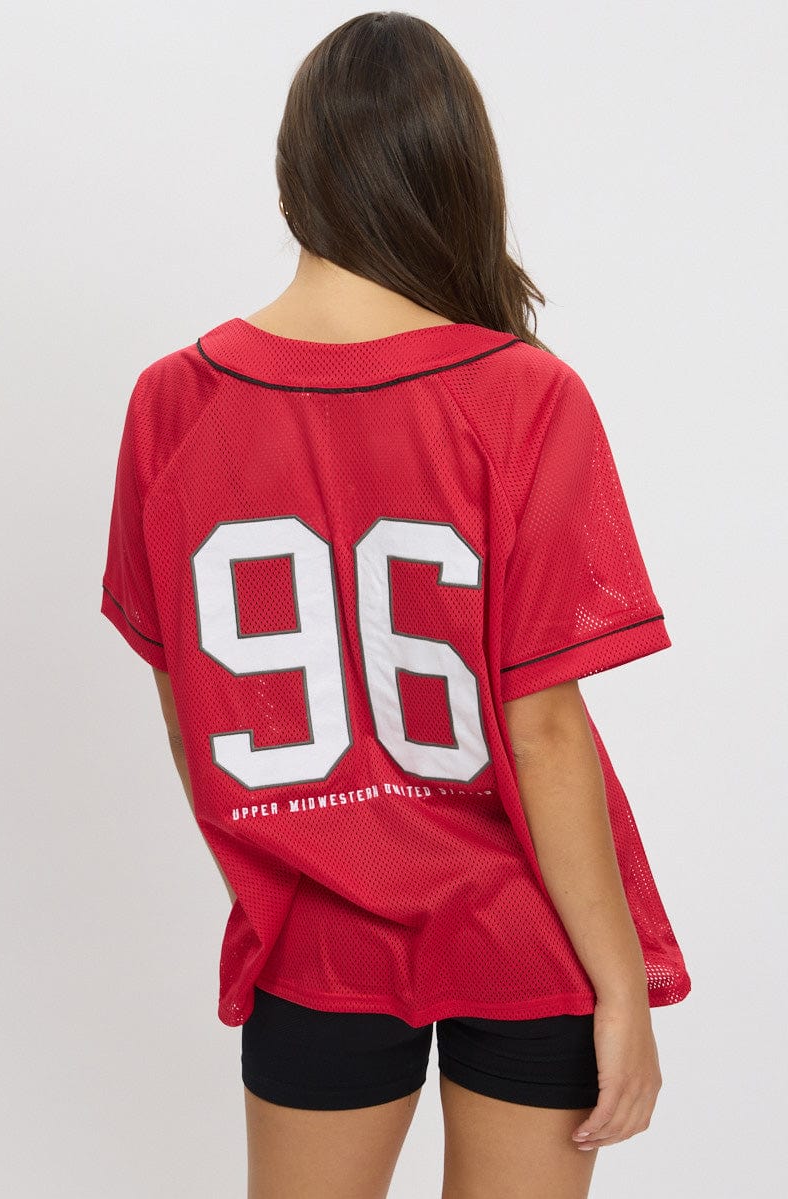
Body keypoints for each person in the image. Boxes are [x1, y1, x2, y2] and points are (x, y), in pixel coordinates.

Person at [99, 11, 691, 1198]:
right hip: (524, 929)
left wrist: (284, 862)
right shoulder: (522, 395)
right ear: (455, 173)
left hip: (314, 936)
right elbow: (541, 724)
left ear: (293, 174)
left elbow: (186, 708)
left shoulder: (173, 401)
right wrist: (621, 984)